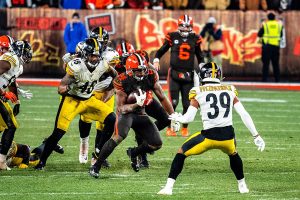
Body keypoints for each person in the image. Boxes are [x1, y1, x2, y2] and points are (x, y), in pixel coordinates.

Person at [157, 62, 266, 195]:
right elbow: (244, 114)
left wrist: (177, 117)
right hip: (228, 138)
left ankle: (168, 188)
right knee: (233, 153)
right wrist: (256, 135)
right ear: (219, 75)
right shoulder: (229, 89)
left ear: (203, 75)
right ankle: (242, 185)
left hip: (208, 137)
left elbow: (188, 118)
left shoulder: (197, 91)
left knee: (181, 153)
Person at [89, 53, 175, 178]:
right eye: (138, 70)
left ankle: (134, 152)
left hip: (141, 114)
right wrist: (136, 105)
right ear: (130, 70)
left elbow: (162, 97)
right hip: (126, 114)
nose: (142, 73)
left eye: (143, 69)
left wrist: (173, 116)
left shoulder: (150, 76)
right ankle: (96, 166)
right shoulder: (121, 80)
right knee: (118, 137)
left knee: (156, 143)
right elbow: (121, 108)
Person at [34, 38, 115, 170]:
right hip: (72, 100)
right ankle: (42, 162)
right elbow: (60, 88)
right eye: (92, 55)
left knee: (112, 119)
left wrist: (112, 89)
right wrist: (69, 86)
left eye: (97, 55)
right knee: (59, 132)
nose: (95, 59)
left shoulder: (103, 64)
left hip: (89, 100)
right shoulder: (76, 66)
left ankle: (98, 152)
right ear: (85, 54)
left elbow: (115, 75)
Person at [116, 41, 172, 168]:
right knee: (140, 125)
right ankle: (142, 156)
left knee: (165, 119)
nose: (126, 60)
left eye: (128, 56)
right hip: (132, 102)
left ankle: (147, 140)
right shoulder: (116, 66)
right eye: (123, 58)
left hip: (147, 98)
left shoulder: (140, 60)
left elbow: (152, 71)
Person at [153, 14, 203, 137]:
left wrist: (202, 67)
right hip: (174, 73)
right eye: (183, 26)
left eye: (188, 26)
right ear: (179, 26)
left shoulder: (195, 38)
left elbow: (200, 55)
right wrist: (156, 60)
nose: (185, 29)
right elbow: (161, 50)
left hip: (189, 75)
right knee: (173, 103)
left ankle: (185, 127)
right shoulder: (173, 36)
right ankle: (170, 127)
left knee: (187, 104)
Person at [77, 27, 117, 167]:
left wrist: (110, 92)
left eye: (103, 42)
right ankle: (84, 145)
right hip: (90, 90)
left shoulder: (112, 55)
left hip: (106, 90)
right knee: (86, 118)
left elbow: (117, 77)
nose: (99, 45)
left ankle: (98, 155)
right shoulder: (83, 48)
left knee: (106, 123)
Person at [0, 40, 33, 170]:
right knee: (11, 125)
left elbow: (12, 81)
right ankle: (1, 161)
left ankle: (2, 160)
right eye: (26, 52)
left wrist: (17, 101)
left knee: (10, 125)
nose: (28, 55)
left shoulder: (18, 65)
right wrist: (3, 93)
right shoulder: (10, 59)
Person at [258, 12, 283, 82]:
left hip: (267, 46)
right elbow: (280, 35)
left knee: (266, 64)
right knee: (276, 64)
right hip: (276, 46)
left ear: (268, 18)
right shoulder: (279, 25)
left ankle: (264, 80)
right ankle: (277, 80)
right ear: (274, 18)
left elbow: (259, 34)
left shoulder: (265, 24)